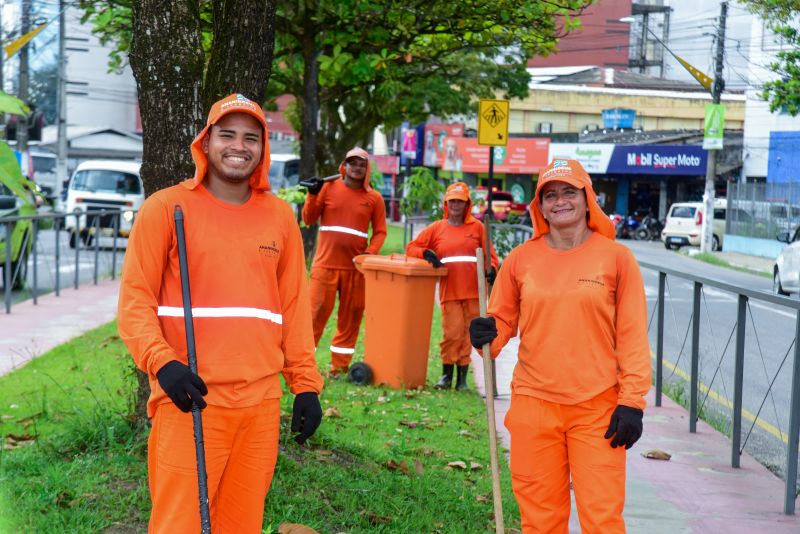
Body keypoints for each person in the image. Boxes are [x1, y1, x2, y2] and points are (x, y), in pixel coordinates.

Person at [118, 93, 324, 533]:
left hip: (261, 406)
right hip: (191, 400)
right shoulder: (165, 209)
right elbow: (135, 303)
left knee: (242, 524)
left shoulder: (279, 217)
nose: (239, 146)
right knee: (180, 524)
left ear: (262, 149)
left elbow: (293, 308)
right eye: (227, 134)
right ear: (206, 143)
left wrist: (305, 385)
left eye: (252, 137)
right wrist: (163, 362)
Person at [469, 159, 651, 533]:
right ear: (540, 206)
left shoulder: (617, 259)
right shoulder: (521, 260)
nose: (560, 201)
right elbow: (501, 322)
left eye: (569, 191)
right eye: (550, 195)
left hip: (598, 409)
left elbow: (632, 336)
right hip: (534, 405)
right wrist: (486, 332)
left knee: (601, 519)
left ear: (587, 199)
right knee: (540, 520)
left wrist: (632, 402)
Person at [301, 147, 387, 376]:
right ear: (344, 165)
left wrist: (370, 252)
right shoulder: (327, 187)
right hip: (325, 266)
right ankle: (302, 365)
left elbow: (380, 232)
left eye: (362, 164)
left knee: (351, 318)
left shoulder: (374, 198)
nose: (357, 167)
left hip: (355, 269)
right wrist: (312, 194)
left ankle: (339, 368)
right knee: (314, 315)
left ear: (367, 169)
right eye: (352, 163)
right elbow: (308, 219)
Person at [406, 182, 498, 390]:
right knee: (451, 334)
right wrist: (426, 254)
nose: (456, 205)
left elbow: (490, 257)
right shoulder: (436, 228)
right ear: (446, 203)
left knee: (467, 335)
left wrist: (491, 268)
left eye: (460, 201)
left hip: (475, 292)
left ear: (467, 204)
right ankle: (446, 376)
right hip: (450, 291)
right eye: (452, 201)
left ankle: (462, 381)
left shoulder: (478, 228)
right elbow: (412, 248)